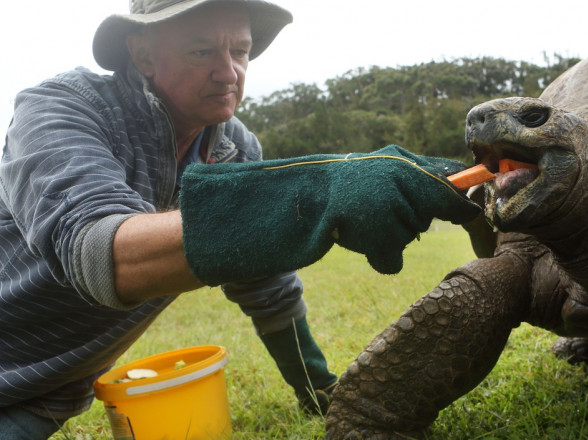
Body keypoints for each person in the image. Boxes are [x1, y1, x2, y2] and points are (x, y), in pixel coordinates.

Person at [0, 0, 480, 438]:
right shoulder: (60, 110)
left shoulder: (234, 149)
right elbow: (101, 256)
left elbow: (265, 288)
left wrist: (319, 391)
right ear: (142, 54)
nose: (228, 73)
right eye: (202, 51)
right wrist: (313, 194)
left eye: (241, 52)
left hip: (49, 399)